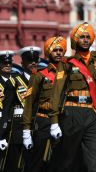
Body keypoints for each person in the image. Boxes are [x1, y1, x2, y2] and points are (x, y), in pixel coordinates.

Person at [47, 22, 96, 172]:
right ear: (76, 40)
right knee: (69, 159)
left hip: (92, 114)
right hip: (72, 113)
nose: (85, 40)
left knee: (94, 160)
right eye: (82, 37)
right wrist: (54, 121)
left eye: (88, 37)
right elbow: (57, 91)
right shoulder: (67, 63)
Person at [22, 36, 67, 172]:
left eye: (61, 50)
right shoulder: (40, 75)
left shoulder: (68, 73)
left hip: (64, 120)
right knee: (39, 161)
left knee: (60, 161)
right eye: (55, 50)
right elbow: (29, 104)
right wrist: (26, 131)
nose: (58, 52)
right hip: (43, 121)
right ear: (48, 52)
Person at [1, 47, 41, 172]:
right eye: (30, 60)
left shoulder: (43, 79)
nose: (33, 63)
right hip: (18, 126)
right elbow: (7, 108)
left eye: (35, 59)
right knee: (15, 163)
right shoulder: (14, 81)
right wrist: (1, 134)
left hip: (38, 125)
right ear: (23, 62)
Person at [0, 51, 14, 170]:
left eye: (10, 63)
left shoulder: (18, 80)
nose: (8, 65)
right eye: (5, 63)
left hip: (13, 126)